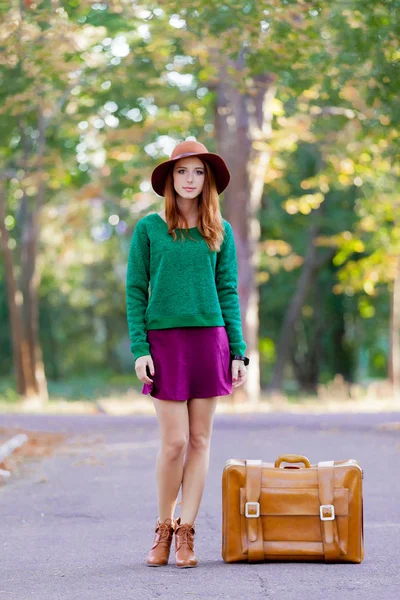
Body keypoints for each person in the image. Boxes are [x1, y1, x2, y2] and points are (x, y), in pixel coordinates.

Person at [126, 139, 249, 568]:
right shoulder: (148, 229)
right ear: (170, 179)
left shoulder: (221, 231)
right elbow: (135, 291)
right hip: (165, 343)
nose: (190, 179)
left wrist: (239, 350)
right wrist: (140, 346)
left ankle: (187, 531)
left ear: (207, 179)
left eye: (198, 172)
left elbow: (228, 292)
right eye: (182, 172)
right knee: (174, 442)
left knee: (200, 439)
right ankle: (163, 526)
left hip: (209, 341)